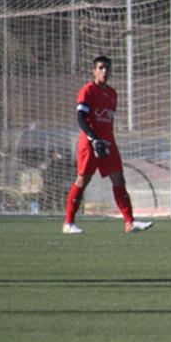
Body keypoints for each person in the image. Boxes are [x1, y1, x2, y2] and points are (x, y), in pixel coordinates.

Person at [63, 55, 152, 234]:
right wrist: (93, 138)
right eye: (101, 68)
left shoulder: (112, 93)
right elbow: (81, 118)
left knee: (119, 179)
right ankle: (69, 223)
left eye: (107, 68)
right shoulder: (87, 90)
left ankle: (130, 222)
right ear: (94, 71)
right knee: (83, 180)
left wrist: (104, 141)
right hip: (90, 144)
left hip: (108, 143)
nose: (105, 71)